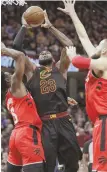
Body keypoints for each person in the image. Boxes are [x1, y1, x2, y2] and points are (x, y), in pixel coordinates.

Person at [12, 10, 82, 172]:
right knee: (47, 165)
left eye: (47, 50)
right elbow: (16, 48)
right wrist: (23, 26)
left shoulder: (60, 69)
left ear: (53, 57)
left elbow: (69, 45)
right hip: (44, 124)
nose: (44, 50)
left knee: (73, 162)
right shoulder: (32, 71)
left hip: (64, 120)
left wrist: (50, 27)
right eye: (41, 51)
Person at [1, 43, 45, 172]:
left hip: (16, 135)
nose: (9, 73)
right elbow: (20, 56)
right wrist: (4, 50)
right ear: (7, 80)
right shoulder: (15, 86)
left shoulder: (8, 97)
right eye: (6, 74)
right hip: (27, 133)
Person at [65, 44, 107, 172]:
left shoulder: (102, 64)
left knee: (101, 167)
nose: (96, 46)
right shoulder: (97, 63)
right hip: (99, 120)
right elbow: (83, 38)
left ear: (104, 50)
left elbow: (77, 62)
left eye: (99, 44)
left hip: (104, 119)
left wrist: (72, 56)